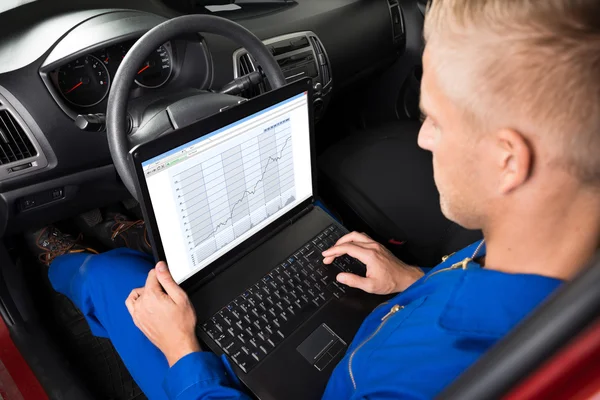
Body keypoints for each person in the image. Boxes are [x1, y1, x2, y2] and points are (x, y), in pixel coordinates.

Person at [29, 0, 600, 398]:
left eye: (435, 121)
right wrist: (415, 283)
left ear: (509, 159)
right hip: (382, 320)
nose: (423, 138)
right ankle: (133, 236)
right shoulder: (553, 281)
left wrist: (183, 354)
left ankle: (62, 260)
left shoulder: (420, 382)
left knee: (125, 281)